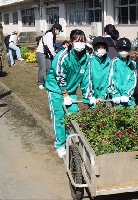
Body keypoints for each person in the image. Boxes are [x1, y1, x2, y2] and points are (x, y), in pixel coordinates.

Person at [44, 29, 89, 158]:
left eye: (82, 41)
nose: (80, 43)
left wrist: (87, 96)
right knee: (59, 118)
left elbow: (85, 78)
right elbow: (59, 76)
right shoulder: (63, 55)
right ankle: (60, 145)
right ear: (71, 42)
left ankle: (72, 140)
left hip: (71, 90)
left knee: (74, 116)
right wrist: (64, 94)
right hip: (56, 90)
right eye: (77, 41)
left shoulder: (85, 57)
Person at [81, 36, 111, 108]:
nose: (101, 49)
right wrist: (91, 96)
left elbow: (108, 80)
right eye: (99, 47)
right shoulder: (89, 60)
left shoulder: (109, 62)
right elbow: (87, 80)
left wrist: (102, 95)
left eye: (103, 47)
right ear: (94, 48)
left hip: (104, 96)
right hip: (92, 96)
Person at [108, 37, 136, 108]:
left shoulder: (133, 64)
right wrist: (115, 94)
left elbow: (133, 81)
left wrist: (127, 94)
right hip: (116, 100)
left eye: (126, 49)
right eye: (121, 49)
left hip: (128, 99)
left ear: (129, 50)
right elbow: (109, 80)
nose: (123, 51)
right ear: (118, 49)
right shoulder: (113, 62)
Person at [36, 23, 63, 89]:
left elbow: (53, 46)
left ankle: (49, 82)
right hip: (41, 53)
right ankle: (40, 83)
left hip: (47, 54)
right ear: (55, 29)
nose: (59, 32)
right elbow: (50, 46)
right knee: (43, 68)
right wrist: (55, 55)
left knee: (49, 68)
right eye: (59, 30)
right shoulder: (49, 34)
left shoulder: (53, 35)